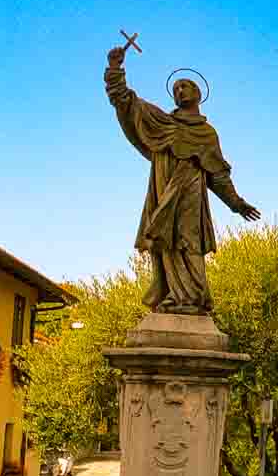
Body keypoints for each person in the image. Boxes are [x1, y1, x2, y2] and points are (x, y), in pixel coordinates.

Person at [105, 45, 260, 314]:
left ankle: (192, 298)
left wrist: (237, 203)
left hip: (190, 193)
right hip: (163, 191)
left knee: (188, 241)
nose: (179, 91)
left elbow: (218, 175)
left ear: (198, 94)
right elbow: (126, 102)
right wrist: (115, 69)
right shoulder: (162, 122)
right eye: (176, 88)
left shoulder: (207, 133)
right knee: (166, 242)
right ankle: (173, 296)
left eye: (185, 86)